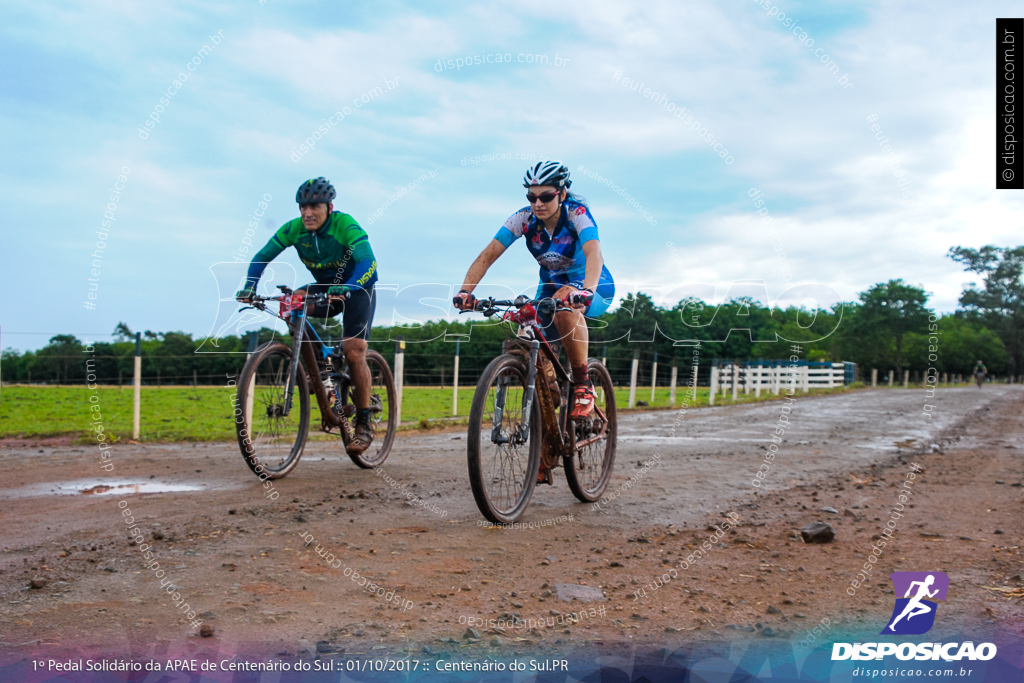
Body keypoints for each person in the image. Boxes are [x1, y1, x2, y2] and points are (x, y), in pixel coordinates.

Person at [453, 160, 615, 423]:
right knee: (523, 335)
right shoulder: (523, 219)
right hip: (550, 288)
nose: (538, 203)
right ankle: (546, 423)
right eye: (532, 196)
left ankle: (584, 385)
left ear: (561, 194)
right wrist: (465, 292)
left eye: (546, 196)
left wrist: (586, 290)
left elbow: (593, 253)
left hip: (593, 285)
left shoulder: (577, 214)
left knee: (563, 307)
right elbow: (487, 255)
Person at [236, 177, 379, 455]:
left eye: (314, 206)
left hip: (357, 288)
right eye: (302, 207)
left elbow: (368, 262)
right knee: (290, 305)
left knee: (353, 351)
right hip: (324, 288)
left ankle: (363, 422)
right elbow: (262, 257)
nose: (307, 213)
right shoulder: (294, 229)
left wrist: (349, 286)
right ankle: (321, 366)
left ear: (329, 206)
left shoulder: (345, 225)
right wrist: (250, 286)